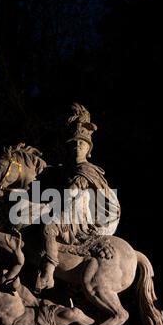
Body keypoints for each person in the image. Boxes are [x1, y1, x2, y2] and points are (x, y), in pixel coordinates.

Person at [37, 103, 121, 290]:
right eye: (73, 144)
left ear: (88, 149)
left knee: (48, 228)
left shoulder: (85, 170)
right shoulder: (67, 170)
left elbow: (71, 195)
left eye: (81, 144)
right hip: (70, 210)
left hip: (81, 218)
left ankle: (48, 273)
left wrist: (52, 204)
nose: (77, 147)